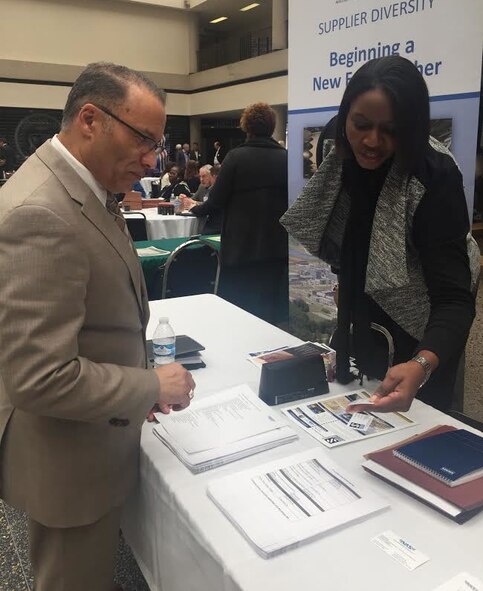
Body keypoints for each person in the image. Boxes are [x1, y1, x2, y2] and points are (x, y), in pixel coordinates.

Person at [0, 62, 195, 591]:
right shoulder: (42, 213)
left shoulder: (80, 190)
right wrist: (151, 384)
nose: (152, 159)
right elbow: (39, 377)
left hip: (92, 436)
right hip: (69, 463)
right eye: (142, 140)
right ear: (90, 118)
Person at [281, 56, 479, 414]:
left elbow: (454, 299)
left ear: (413, 128)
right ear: (345, 119)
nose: (371, 141)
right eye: (360, 124)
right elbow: (350, 234)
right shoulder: (339, 147)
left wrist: (422, 364)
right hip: (361, 315)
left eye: (390, 130)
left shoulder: (435, 175)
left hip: (424, 330)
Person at [190, 103, 288, 324]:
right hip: (276, 248)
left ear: (247, 127)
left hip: (241, 250)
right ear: (272, 127)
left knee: (238, 312)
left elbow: (215, 201)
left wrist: (194, 209)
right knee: (270, 312)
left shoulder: (236, 157)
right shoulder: (286, 158)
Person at [181, 164, 222, 234]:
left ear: (213, 176)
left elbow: (208, 206)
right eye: (200, 176)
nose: (201, 179)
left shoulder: (218, 189)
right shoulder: (202, 187)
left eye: (204, 176)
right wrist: (186, 199)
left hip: (216, 228)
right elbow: (193, 200)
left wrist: (193, 206)